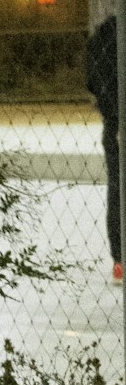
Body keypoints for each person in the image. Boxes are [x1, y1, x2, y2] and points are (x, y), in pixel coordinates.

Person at [88, 15, 121, 283]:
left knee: (117, 186)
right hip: (115, 120)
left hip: (115, 123)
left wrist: (110, 110)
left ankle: (120, 259)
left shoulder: (105, 33)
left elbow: (92, 79)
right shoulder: (106, 34)